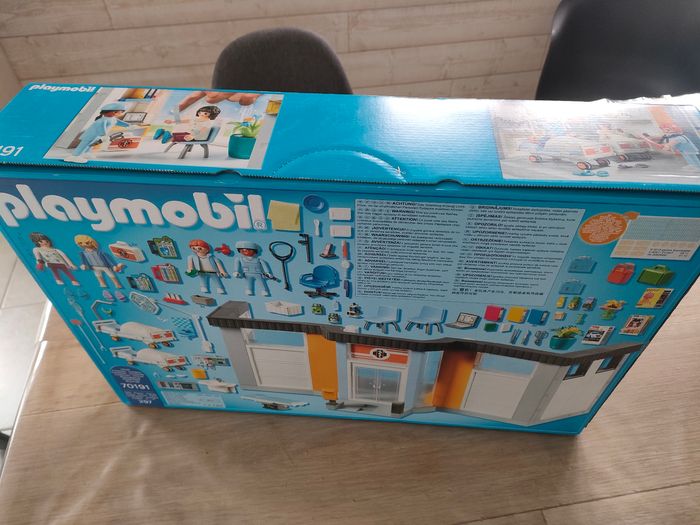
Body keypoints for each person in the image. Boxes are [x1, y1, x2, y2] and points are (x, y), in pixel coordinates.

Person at [64, 102, 130, 163]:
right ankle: (74, 156)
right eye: (120, 112)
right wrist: (104, 135)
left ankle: (86, 153)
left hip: (97, 135)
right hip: (91, 135)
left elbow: (118, 122)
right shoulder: (101, 120)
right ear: (113, 112)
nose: (121, 113)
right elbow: (102, 128)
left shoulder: (112, 118)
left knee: (91, 145)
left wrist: (128, 125)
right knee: (84, 145)